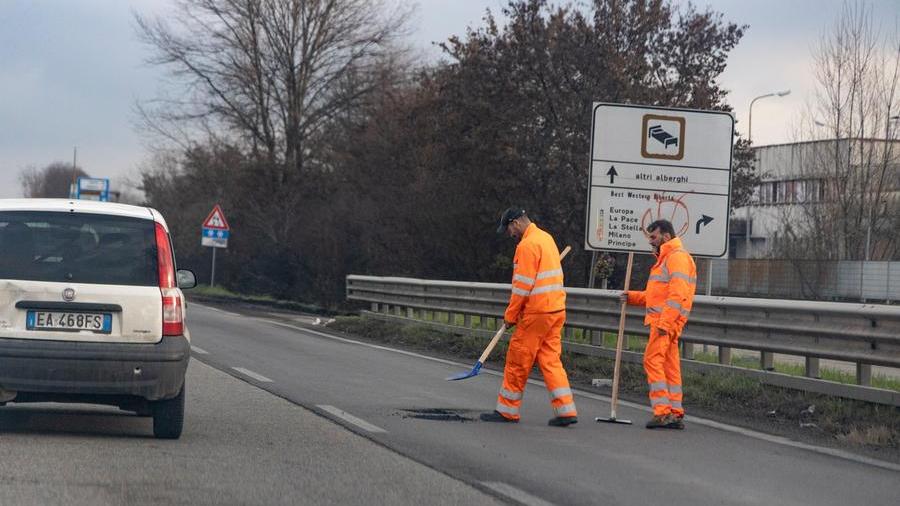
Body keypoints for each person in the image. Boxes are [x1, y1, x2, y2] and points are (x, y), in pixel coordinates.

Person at [480, 207, 578, 427]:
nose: (510, 234)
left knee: (518, 359)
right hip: (555, 310)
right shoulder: (546, 238)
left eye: (509, 229)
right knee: (551, 360)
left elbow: (522, 286)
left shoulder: (526, 246)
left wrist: (510, 315)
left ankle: (507, 410)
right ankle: (566, 410)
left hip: (537, 313)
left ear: (515, 223)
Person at [620, 219, 697, 429]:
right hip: (668, 321)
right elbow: (657, 296)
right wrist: (633, 297)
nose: (650, 242)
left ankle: (662, 412)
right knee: (669, 367)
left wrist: (665, 323)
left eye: (653, 237)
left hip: (665, 322)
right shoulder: (667, 259)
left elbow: (677, 295)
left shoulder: (675, 258)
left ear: (665, 235)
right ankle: (674, 411)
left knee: (652, 361)